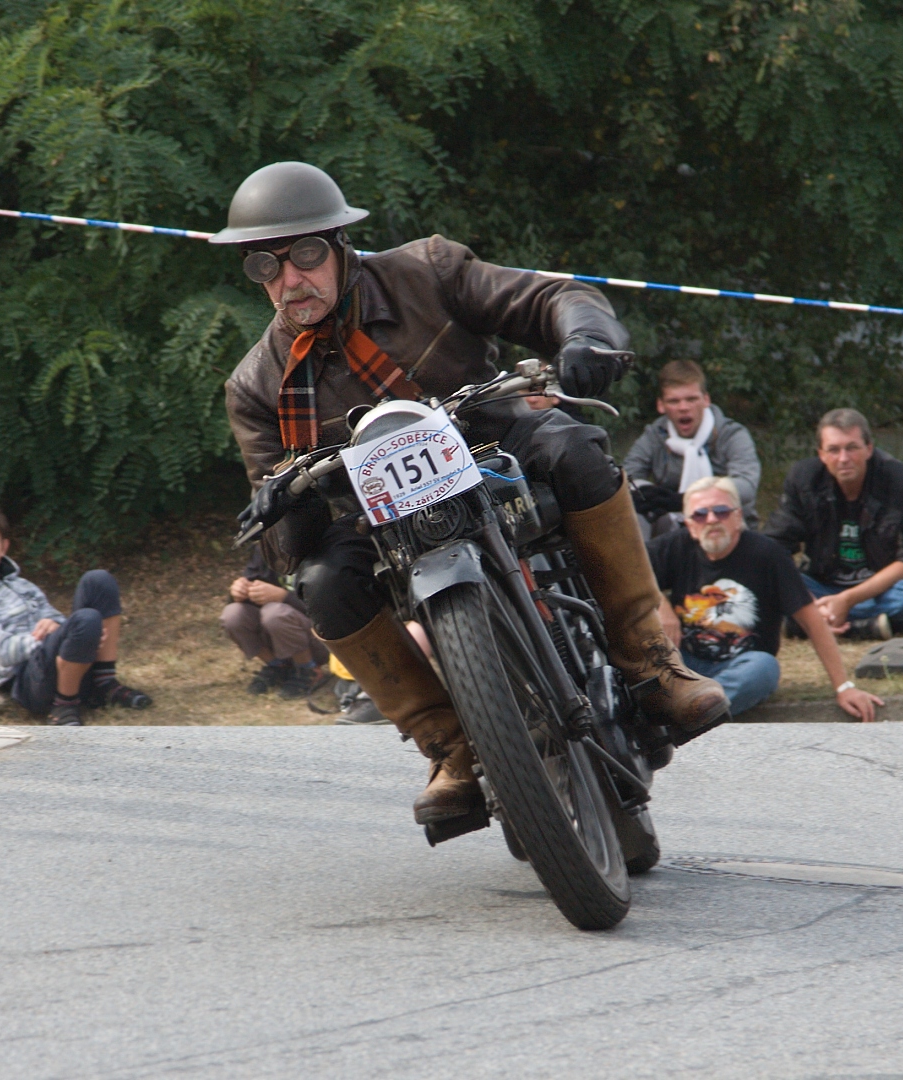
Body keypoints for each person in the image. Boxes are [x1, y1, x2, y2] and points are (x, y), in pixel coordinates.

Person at [218, 161, 729, 828]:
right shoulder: (255, 385)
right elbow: (286, 540)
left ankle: (652, 664)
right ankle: (448, 745)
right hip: (380, 519)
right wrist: (285, 503)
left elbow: (551, 297)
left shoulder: (426, 270)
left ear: (341, 246)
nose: (290, 279)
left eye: (306, 255)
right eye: (266, 265)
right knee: (322, 581)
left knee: (576, 446)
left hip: (495, 447)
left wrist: (587, 337)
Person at [651, 478, 884, 720]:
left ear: (738, 517)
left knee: (764, 668)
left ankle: (688, 713)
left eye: (721, 511)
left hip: (741, 666)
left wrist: (844, 687)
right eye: (700, 515)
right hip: (682, 661)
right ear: (690, 525)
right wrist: (660, 603)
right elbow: (628, 571)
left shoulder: (768, 555)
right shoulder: (675, 546)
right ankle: (691, 710)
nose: (711, 520)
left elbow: (812, 621)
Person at [0, 502, 151, 725]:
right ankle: (64, 706)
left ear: (3, 547)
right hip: (26, 681)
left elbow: (55, 619)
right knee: (86, 620)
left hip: (56, 663)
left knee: (98, 581)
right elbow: (1, 651)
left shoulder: (20, 584)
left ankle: (103, 683)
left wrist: (65, 631)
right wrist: (56, 637)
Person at [766, 408, 903, 640]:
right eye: (833, 450)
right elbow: (775, 546)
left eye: (852, 448)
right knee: (766, 580)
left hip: (877, 589)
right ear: (821, 454)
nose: (843, 458)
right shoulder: (804, 479)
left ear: (869, 449)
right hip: (821, 584)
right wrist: (810, 602)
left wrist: (847, 600)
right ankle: (863, 626)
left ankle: (810, 623)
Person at [623, 360, 760, 539]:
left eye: (691, 399)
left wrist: (686, 500)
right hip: (671, 526)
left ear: (706, 400)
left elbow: (746, 485)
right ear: (661, 405)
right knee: (634, 511)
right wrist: (648, 494)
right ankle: (638, 559)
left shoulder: (732, 434)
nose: (683, 408)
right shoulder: (655, 435)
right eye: (674, 401)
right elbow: (627, 478)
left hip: (727, 524)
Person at [222, 546, 327, 698]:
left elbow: (328, 608)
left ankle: (308, 670)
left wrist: (285, 597)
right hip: (278, 635)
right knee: (233, 614)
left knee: (275, 613)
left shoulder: (325, 549)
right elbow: (250, 586)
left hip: (321, 637)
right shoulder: (267, 546)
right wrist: (238, 592)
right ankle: (277, 667)